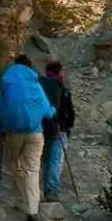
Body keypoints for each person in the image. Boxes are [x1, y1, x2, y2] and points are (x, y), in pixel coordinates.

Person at [0, 55, 54, 221]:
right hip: (35, 133)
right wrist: (53, 110)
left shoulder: (7, 82)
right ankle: (32, 209)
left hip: (13, 133)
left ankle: (20, 201)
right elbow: (47, 111)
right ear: (29, 67)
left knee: (17, 164)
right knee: (32, 169)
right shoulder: (35, 84)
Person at [38, 61, 78, 201]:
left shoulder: (40, 87)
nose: (63, 74)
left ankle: (46, 191)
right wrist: (67, 127)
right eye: (62, 71)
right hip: (59, 130)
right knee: (55, 161)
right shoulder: (62, 90)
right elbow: (70, 114)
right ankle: (52, 191)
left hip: (42, 129)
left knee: (46, 160)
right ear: (58, 73)